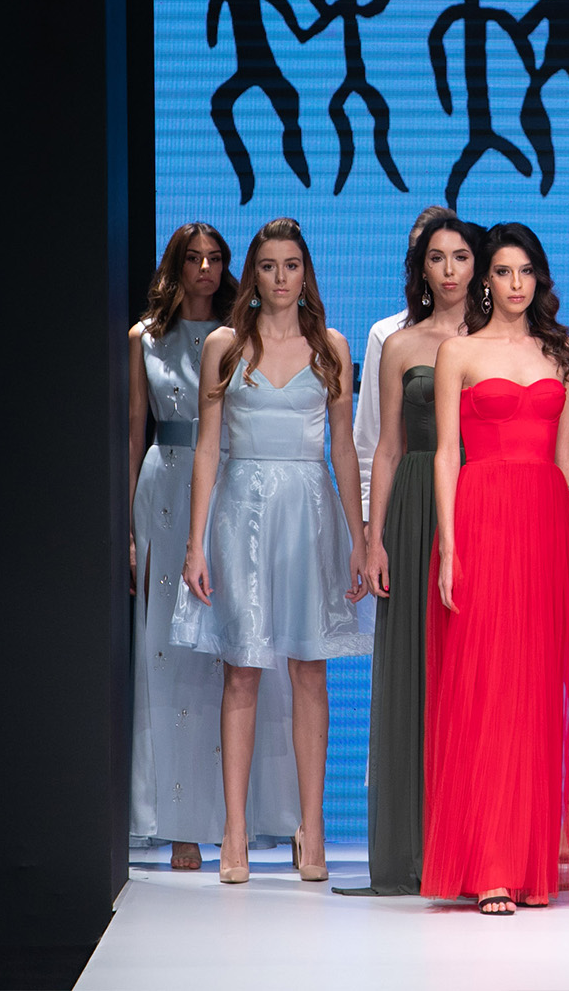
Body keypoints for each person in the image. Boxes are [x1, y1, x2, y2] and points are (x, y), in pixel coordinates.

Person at [175, 218, 371, 885]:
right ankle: (234, 829)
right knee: (242, 668)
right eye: (267, 265)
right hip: (243, 513)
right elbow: (207, 447)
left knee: (310, 668)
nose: (280, 277)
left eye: (291, 265)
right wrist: (195, 543)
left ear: (305, 272)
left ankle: (312, 827)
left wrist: (358, 537)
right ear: (253, 275)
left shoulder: (331, 346)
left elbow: (343, 446)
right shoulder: (224, 345)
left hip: (310, 512)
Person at [423, 223, 569, 914]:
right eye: (503, 271)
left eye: (526, 271)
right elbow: (446, 453)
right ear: (486, 280)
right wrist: (449, 544)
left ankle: (529, 862)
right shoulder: (458, 351)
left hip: (546, 524)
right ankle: (490, 862)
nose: (516, 283)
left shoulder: (560, 353)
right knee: (487, 690)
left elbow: (567, 456)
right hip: (482, 519)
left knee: (536, 695)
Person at [128, 223, 293, 869]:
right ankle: (177, 822)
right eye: (193, 258)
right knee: (170, 652)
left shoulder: (242, 333)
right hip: (165, 488)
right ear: (174, 265)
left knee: (239, 648)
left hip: (232, 482)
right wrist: (129, 530)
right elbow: (134, 432)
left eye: (215, 258)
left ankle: (243, 819)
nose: (204, 268)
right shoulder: (146, 337)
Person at [335, 212, 481, 898]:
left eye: (461, 256)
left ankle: (479, 846)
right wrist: (373, 538)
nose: (450, 270)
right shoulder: (397, 344)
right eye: (437, 258)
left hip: (486, 503)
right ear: (420, 269)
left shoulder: (501, 341)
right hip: (417, 509)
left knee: (479, 675)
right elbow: (385, 448)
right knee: (415, 672)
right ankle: (412, 849)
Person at [355, 207, 454, 528]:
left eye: (455, 256)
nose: (443, 268)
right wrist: (369, 520)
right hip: (410, 493)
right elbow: (372, 435)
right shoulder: (387, 334)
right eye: (427, 256)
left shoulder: (483, 335)